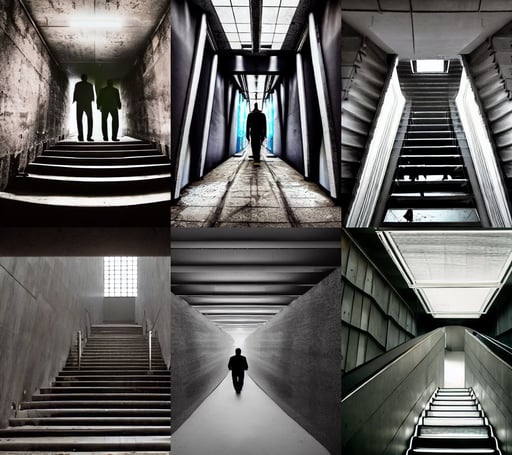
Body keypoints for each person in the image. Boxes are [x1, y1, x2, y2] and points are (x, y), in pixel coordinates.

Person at [73, 74, 95, 141]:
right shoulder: (90, 85)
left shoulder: (78, 84)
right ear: (86, 78)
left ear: (81, 78)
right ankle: (89, 137)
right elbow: (92, 94)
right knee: (90, 119)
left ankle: (81, 136)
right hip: (87, 103)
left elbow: (75, 92)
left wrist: (75, 99)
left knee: (79, 120)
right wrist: (92, 100)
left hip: (80, 103)